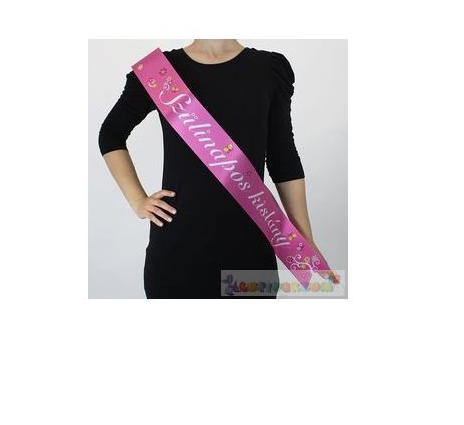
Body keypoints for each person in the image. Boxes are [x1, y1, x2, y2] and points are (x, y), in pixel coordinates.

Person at [98, 40, 324, 298]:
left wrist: (304, 240)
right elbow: (111, 134)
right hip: (176, 254)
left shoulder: (268, 69)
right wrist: (138, 200)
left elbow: (283, 160)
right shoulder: (159, 71)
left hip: (250, 253)